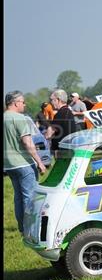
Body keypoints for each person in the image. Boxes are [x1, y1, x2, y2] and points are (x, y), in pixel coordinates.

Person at [4, 91, 48, 234]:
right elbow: (28, 143)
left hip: (9, 165)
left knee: (18, 197)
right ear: (16, 103)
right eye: (23, 102)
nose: (24, 104)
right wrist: (40, 163)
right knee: (30, 197)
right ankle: (31, 229)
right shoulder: (20, 118)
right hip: (24, 163)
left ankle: (22, 228)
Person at [45, 89, 78, 156]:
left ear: (58, 100)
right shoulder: (69, 112)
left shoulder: (60, 114)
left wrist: (44, 136)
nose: (51, 102)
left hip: (62, 151)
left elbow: (49, 134)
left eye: (52, 100)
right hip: (70, 148)